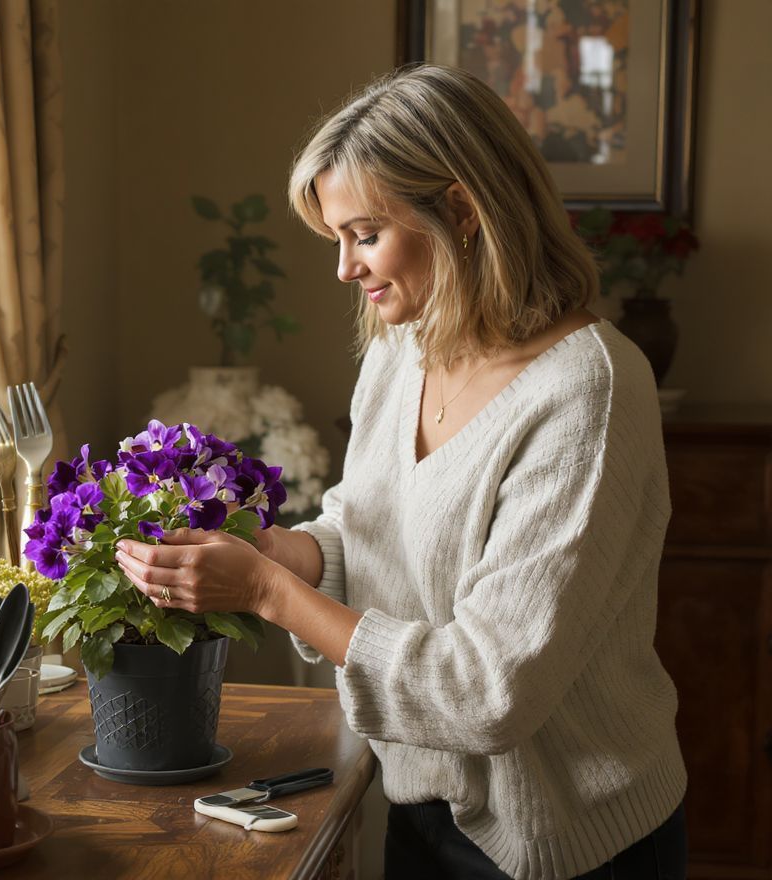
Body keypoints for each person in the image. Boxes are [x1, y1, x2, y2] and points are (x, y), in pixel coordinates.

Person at [114, 64, 687, 880]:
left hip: (575, 836)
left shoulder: (588, 391)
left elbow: (490, 692)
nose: (345, 268)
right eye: (337, 238)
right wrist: (284, 553)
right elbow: (366, 524)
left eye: (365, 233)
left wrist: (268, 592)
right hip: (421, 806)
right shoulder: (404, 345)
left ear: (462, 210)